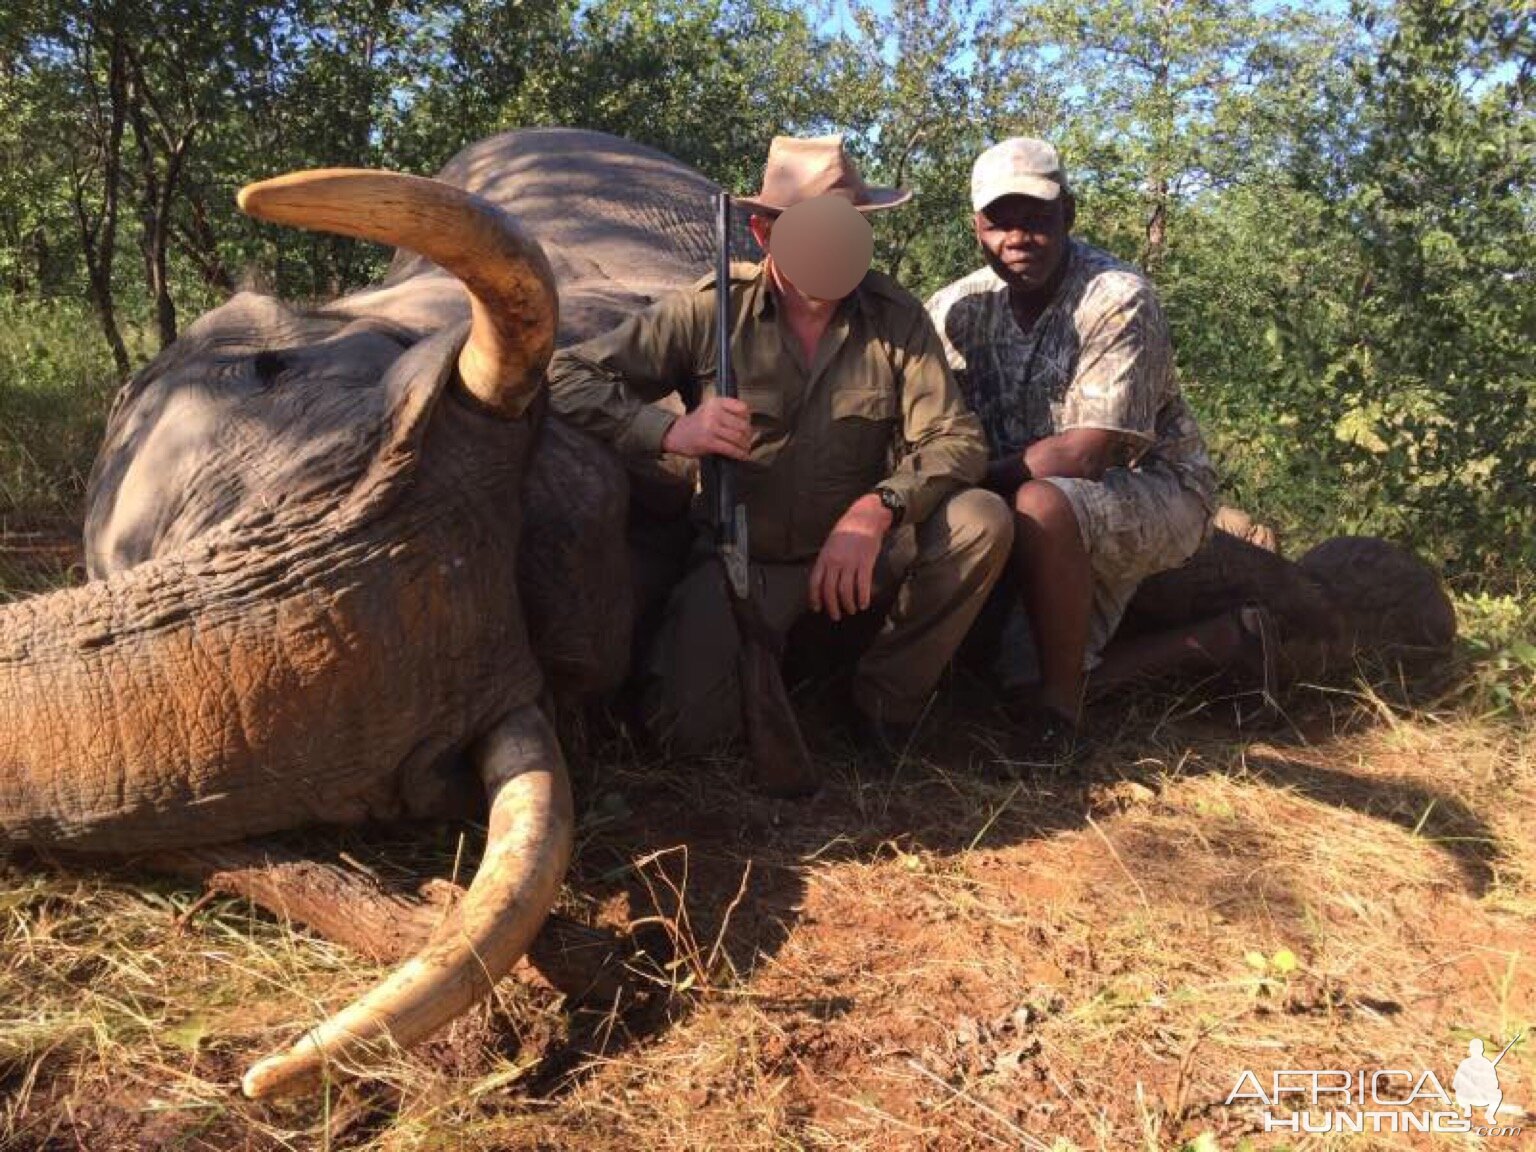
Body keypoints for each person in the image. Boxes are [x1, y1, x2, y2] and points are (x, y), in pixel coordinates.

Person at [549, 134, 1013, 756]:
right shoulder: (710, 310)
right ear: (766, 234)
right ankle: (779, 669)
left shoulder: (894, 315)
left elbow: (956, 439)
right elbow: (563, 376)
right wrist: (667, 430)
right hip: (748, 564)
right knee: (682, 736)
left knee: (981, 520)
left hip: (863, 560)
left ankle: (882, 706)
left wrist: (877, 510)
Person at [928, 138, 1270, 755]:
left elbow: (1088, 455)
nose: (1018, 235)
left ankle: (1061, 714)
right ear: (976, 226)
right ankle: (1214, 640)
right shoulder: (956, 307)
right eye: (999, 220)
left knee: (1040, 503)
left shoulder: (1117, 296)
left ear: (1070, 214)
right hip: (1024, 493)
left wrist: (961, 483)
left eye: (1037, 217)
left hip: (1150, 488)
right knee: (996, 676)